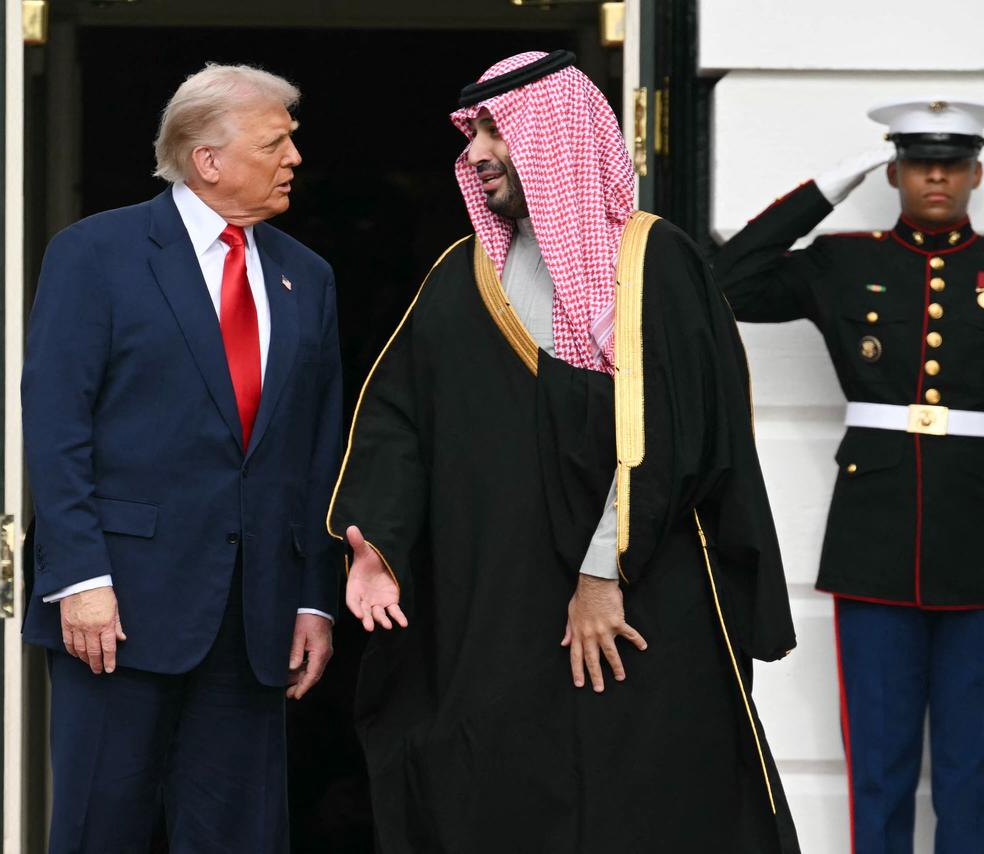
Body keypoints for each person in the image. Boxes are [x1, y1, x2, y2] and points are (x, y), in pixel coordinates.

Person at [327, 50, 800, 853]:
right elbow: (398, 421)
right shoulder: (460, 275)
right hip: (500, 608)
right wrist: (379, 541)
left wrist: (600, 575)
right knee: (500, 797)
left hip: (637, 603)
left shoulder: (654, 264)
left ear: (553, 135)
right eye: (472, 133)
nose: (475, 154)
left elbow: (675, 436)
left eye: (492, 130)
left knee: (642, 804)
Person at [21, 64, 342, 853]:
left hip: (254, 618)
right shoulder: (95, 253)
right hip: (116, 613)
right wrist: (79, 579)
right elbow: (56, 426)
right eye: (276, 142)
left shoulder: (310, 276)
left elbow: (317, 448)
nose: (295, 157)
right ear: (207, 159)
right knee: (102, 829)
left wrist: (314, 597)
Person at [713, 99, 984, 854]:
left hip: (979, 538)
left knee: (975, 770)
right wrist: (824, 188)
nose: (938, 175)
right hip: (877, 539)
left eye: (955, 163)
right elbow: (723, 283)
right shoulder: (846, 261)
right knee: (880, 763)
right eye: (922, 161)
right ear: (894, 171)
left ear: (976, 174)